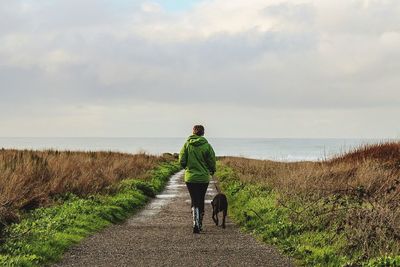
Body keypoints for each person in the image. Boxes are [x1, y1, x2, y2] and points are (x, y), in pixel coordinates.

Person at [179, 125, 216, 233]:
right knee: (201, 198)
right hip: (203, 178)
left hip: (190, 178)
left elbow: (181, 159)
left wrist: (186, 167)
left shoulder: (187, 145)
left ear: (193, 132)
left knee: (194, 199)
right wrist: (212, 169)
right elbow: (212, 160)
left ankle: (195, 221)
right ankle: (199, 222)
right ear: (203, 133)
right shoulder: (207, 146)